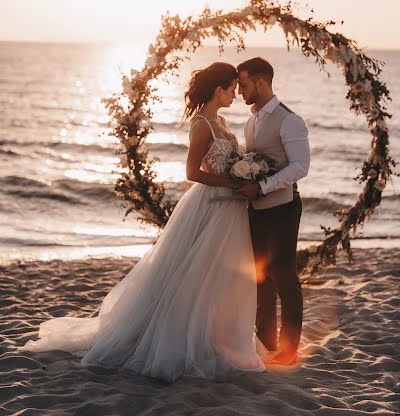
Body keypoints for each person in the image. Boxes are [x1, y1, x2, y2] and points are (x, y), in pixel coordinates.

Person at [22, 62, 267, 382]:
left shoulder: (221, 120)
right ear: (218, 89)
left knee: (222, 276)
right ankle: (182, 334)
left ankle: (220, 336)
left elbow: (226, 163)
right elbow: (192, 174)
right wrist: (231, 183)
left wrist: (244, 170)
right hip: (210, 205)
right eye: (232, 88)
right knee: (194, 273)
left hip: (231, 209)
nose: (236, 94)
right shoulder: (202, 125)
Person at [237, 57, 310, 366]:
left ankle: (289, 348)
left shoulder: (290, 120)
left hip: (282, 209)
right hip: (255, 210)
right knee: (260, 277)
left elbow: (300, 167)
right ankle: (266, 341)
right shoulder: (251, 121)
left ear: (261, 82)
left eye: (243, 85)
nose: (240, 91)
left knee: (284, 276)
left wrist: (264, 186)